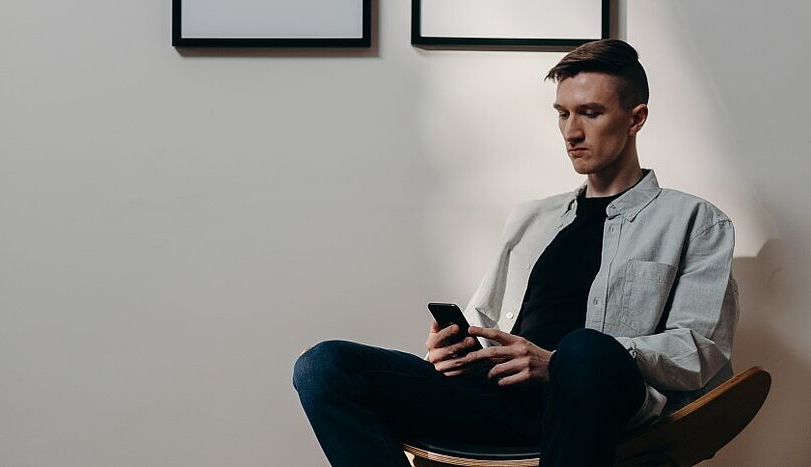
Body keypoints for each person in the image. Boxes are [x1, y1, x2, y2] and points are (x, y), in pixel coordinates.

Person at [292, 39, 739, 467]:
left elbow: (699, 352)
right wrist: (454, 349)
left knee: (583, 350)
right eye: (562, 114)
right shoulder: (532, 218)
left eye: (590, 113)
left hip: (602, 407)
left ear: (635, 118)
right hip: (498, 402)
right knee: (323, 366)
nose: (571, 131)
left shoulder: (696, 221)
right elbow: (486, 322)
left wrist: (556, 364)